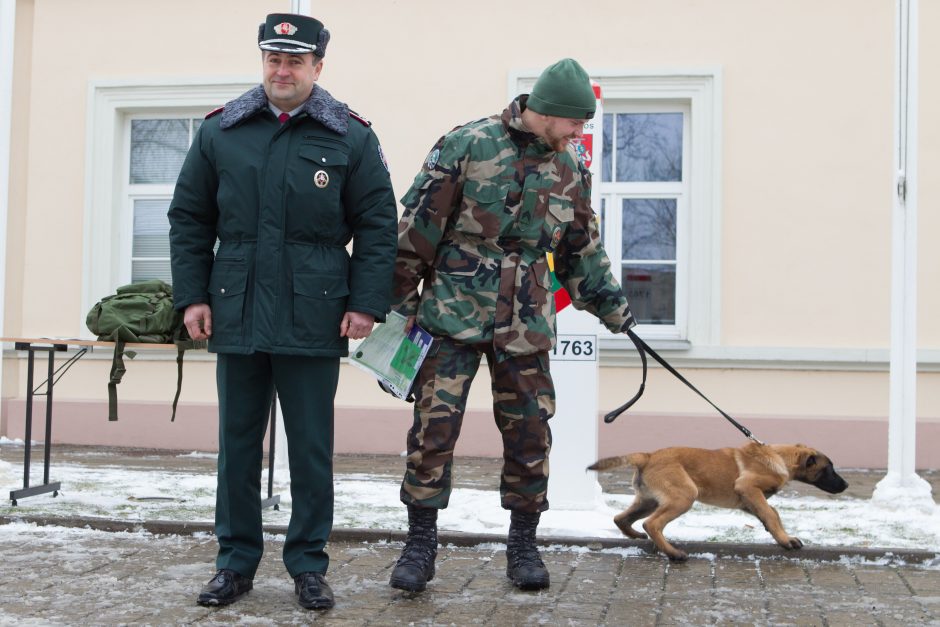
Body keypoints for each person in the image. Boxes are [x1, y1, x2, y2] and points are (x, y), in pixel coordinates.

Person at [168, 13, 398, 610]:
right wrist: (192, 295)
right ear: (262, 62)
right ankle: (235, 562)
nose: (282, 69)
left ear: (318, 67)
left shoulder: (350, 137)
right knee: (237, 446)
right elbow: (190, 219)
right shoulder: (222, 132)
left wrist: (367, 305)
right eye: (273, 58)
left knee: (311, 447)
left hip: (314, 314)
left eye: (295, 60)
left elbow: (377, 227)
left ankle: (308, 566)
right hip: (237, 310)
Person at [388, 58, 636, 592]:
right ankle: (420, 546)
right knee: (433, 433)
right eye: (576, 122)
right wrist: (390, 305)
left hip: (525, 325)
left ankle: (523, 546)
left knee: (529, 435)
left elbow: (580, 251)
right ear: (548, 112)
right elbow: (417, 231)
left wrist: (614, 308)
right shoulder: (468, 145)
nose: (580, 132)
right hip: (451, 317)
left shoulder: (571, 168)